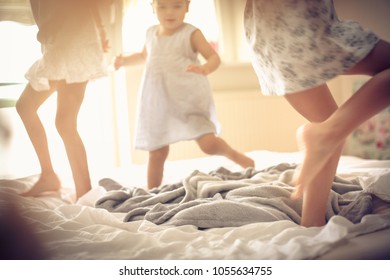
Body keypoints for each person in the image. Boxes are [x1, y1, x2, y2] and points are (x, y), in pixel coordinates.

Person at [244, 0, 390, 227]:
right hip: (298, 27)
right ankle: (325, 133)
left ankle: (311, 222)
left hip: (269, 39)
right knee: (329, 128)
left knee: (327, 124)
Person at [115, 0, 254, 189]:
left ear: (187, 6)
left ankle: (234, 155)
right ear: (152, 8)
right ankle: (152, 192)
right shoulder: (150, 33)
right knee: (157, 151)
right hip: (159, 100)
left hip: (187, 98)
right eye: (162, 7)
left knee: (208, 144)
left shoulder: (191, 33)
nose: (169, 12)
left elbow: (214, 57)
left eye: (177, 6)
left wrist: (205, 68)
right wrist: (123, 61)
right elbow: (143, 56)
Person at [15, 0, 110, 199]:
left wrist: (100, 29)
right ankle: (49, 175)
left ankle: (83, 191)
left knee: (64, 123)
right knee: (26, 107)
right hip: (57, 44)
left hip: (74, 42)